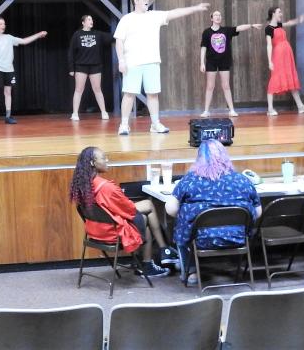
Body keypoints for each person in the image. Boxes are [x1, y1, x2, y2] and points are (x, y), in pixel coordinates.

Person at [166, 139, 262, 285]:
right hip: (237, 237)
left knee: (182, 227)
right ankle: (237, 269)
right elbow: (258, 212)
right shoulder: (242, 180)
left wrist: (187, 214)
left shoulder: (190, 181)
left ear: (199, 158)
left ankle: (191, 272)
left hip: (200, 239)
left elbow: (171, 210)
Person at [115, 0, 209, 135]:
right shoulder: (126, 19)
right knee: (129, 94)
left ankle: (155, 124)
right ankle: (124, 125)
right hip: (132, 62)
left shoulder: (154, 16)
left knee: (153, 94)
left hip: (152, 61)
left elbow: (175, 12)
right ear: (135, 1)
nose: (147, 0)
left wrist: (195, 8)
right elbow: (119, 41)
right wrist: (121, 60)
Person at [69, 146, 173, 278]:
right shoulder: (106, 187)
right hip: (112, 233)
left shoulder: (82, 186)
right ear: (92, 163)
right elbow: (128, 210)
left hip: (94, 232)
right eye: (104, 158)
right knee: (145, 215)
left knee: (146, 208)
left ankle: (148, 259)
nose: (107, 160)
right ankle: (154, 258)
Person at [0, 18, 47, 126]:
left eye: (4, 23)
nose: (3, 25)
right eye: (0, 24)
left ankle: (8, 117)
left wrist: (38, 35)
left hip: (9, 69)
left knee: (8, 92)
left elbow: (24, 41)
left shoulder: (9, 38)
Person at [199, 10, 260, 117]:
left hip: (224, 61)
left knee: (226, 85)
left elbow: (239, 28)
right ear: (211, 18)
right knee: (210, 86)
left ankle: (231, 110)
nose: (218, 17)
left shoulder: (226, 30)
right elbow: (203, 48)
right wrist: (202, 63)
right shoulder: (206, 32)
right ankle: (206, 111)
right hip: (211, 62)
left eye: (219, 15)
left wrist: (251, 26)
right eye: (215, 15)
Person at [265, 7, 304, 116]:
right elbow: (269, 45)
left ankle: (300, 106)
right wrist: (270, 61)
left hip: (287, 56)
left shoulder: (279, 25)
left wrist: (298, 20)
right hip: (278, 56)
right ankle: (270, 109)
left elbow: (289, 23)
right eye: (279, 12)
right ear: (273, 14)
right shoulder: (269, 28)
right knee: (275, 79)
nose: (281, 14)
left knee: (290, 77)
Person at [68, 15, 113, 121]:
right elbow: (71, 52)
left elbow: (112, 37)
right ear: (83, 22)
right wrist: (71, 68)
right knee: (78, 90)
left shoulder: (97, 34)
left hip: (95, 65)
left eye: (92, 19)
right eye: (89, 19)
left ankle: (104, 112)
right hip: (81, 66)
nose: (91, 21)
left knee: (97, 89)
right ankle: (75, 113)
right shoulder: (77, 34)